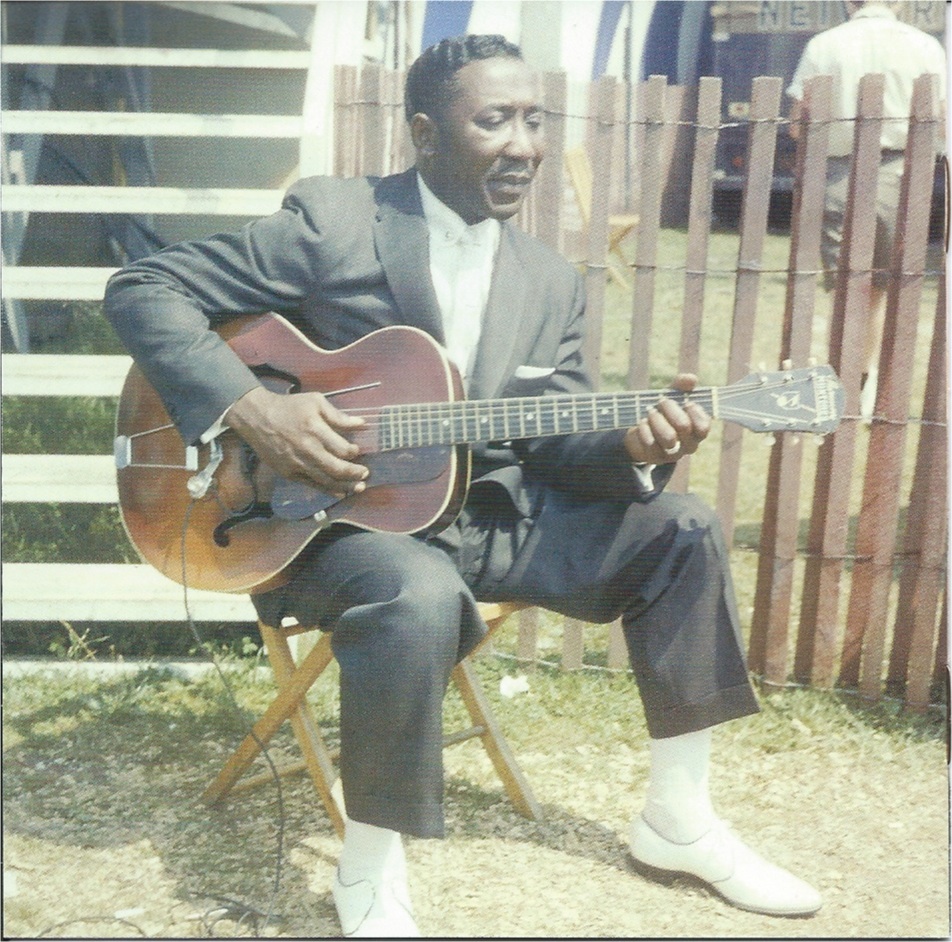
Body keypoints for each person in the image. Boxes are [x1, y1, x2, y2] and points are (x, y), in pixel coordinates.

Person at [105, 35, 821, 937]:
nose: (524, 145)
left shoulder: (548, 280)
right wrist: (258, 411)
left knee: (682, 530)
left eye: (534, 120)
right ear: (424, 133)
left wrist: (634, 444)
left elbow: (551, 435)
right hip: (319, 526)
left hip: (482, 523)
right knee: (415, 588)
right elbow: (144, 287)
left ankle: (678, 821)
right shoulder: (338, 222)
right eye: (494, 121)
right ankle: (369, 869)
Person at [786, 0, 946, 419]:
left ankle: (842, 386)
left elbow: (797, 123)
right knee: (882, 288)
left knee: (846, 286)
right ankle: (868, 387)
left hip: (837, 172)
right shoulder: (925, 46)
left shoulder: (824, 45)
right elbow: (941, 121)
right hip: (900, 172)